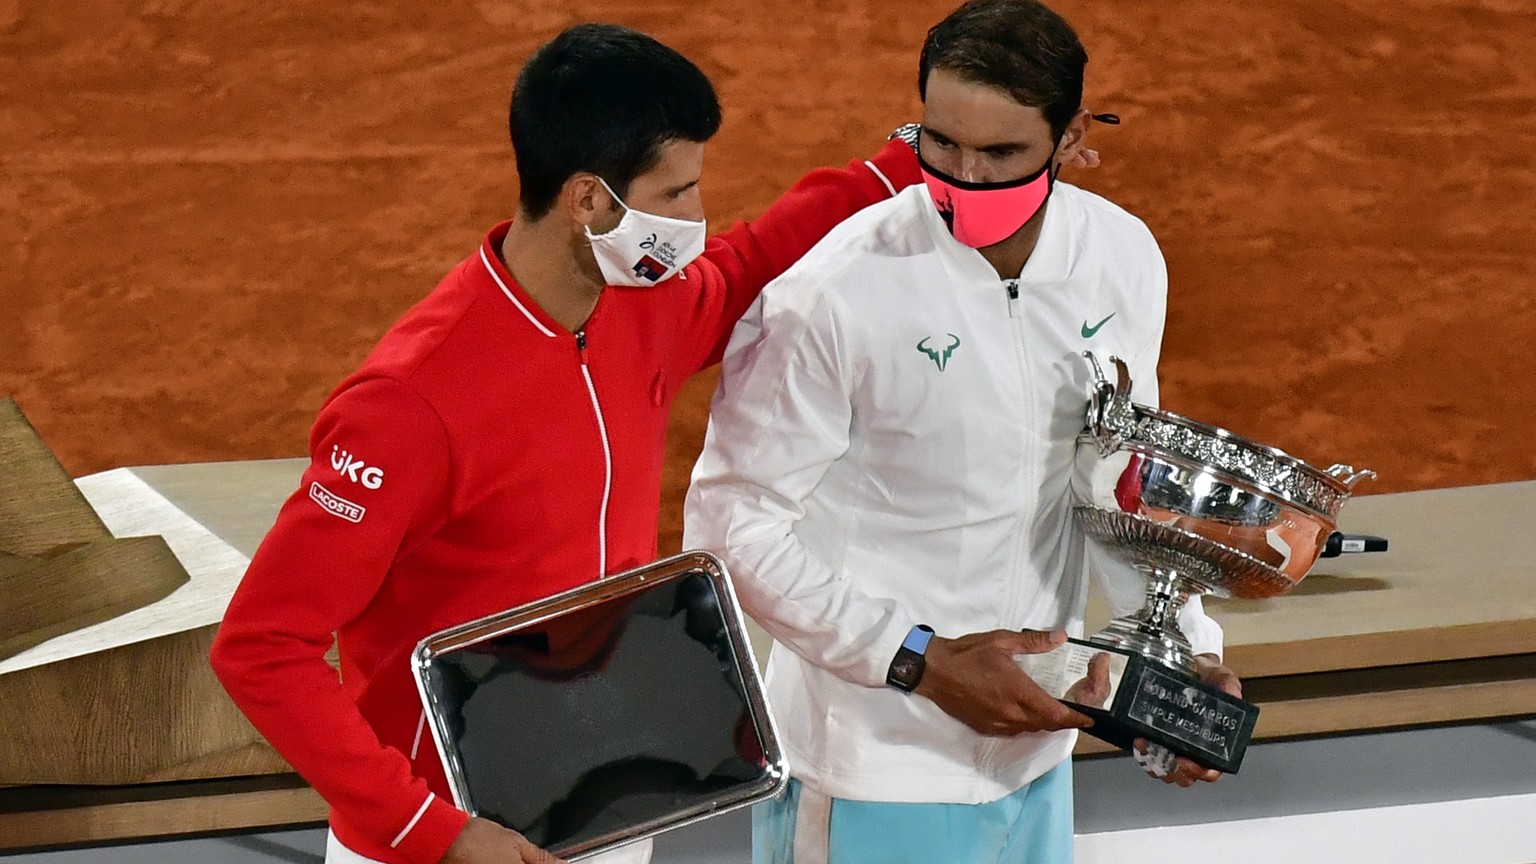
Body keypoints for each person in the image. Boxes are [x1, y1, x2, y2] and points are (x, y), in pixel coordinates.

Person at [207, 22, 933, 864]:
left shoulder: (640, 305)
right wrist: (433, 832)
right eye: (673, 195)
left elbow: (746, 265)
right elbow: (261, 647)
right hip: (451, 842)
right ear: (589, 200)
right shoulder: (410, 406)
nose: (693, 219)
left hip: (608, 802)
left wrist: (920, 153)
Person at [681, 2, 1242, 861]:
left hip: (1036, 755)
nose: (965, 180)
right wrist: (917, 661)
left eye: (1002, 153)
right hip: (875, 773)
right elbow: (729, 528)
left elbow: (1117, 480)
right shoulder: (831, 294)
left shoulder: (1123, 258)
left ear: (1071, 136)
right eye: (939, 144)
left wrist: (1175, 655)